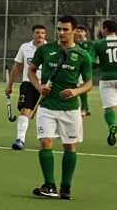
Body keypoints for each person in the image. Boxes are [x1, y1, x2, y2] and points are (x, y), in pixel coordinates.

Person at [29, 15, 92, 200]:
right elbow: (31, 71)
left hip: (70, 108)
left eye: (65, 29)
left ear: (74, 30)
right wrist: (39, 87)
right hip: (47, 106)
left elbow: (89, 83)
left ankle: (66, 187)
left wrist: (76, 91)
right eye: (59, 29)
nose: (62, 32)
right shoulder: (45, 50)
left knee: (69, 146)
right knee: (45, 142)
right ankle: (49, 185)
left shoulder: (82, 55)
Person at [5, 24, 48, 150]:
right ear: (33, 34)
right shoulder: (25, 47)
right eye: (37, 32)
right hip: (28, 84)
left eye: (42, 33)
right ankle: (20, 140)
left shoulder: (50, 49)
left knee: (45, 113)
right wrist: (10, 85)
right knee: (25, 111)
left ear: (45, 35)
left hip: (45, 85)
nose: (39, 35)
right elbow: (17, 67)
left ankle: (48, 138)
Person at [92, 19, 117, 146]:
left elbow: (93, 63)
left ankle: (112, 125)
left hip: (107, 78)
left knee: (109, 108)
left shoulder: (99, 44)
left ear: (106, 29)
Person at [73, 24, 95, 118]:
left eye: (81, 31)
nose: (79, 33)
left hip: (84, 69)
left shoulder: (90, 44)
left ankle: (84, 109)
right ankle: (83, 109)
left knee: (83, 87)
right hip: (75, 68)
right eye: (77, 31)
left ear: (85, 33)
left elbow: (90, 57)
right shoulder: (74, 43)